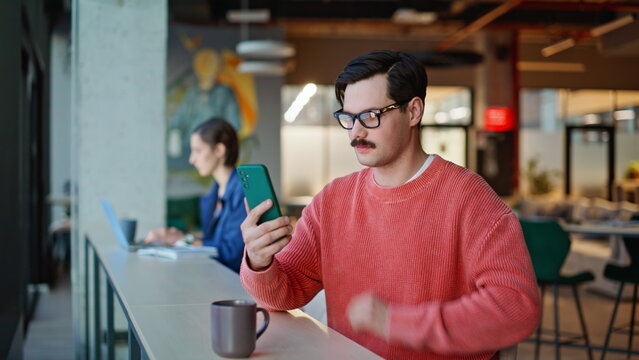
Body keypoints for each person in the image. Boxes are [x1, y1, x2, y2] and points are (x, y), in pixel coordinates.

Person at [239, 50, 540, 359]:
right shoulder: (331, 201)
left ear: (413, 112)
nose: (356, 132)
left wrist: (396, 322)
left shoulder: (470, 198)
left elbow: (515, 307)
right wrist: (259, 262)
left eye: (371, 116)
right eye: (348, 117)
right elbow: (283, 293)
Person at [145, 117, 246, 272]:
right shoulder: (214, 193)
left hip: (236, 284)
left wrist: (185, 240)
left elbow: (233, 253)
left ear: (219, 150)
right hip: (218, 278)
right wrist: (180, 238)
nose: (192, 160)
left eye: (198, 151)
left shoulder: (242, 190)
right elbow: (213, 243)